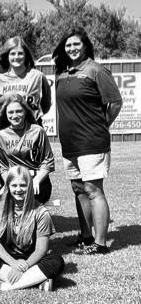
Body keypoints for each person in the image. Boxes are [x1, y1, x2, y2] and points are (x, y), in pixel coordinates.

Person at [53, 28, 122, 254]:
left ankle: (100, 243)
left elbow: (114, 102)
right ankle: (85, 235)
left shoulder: (96, 70)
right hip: (69, 144)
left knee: (93, 189)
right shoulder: (62, 73)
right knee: (78, 189)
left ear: (85, 46)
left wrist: (101, 126)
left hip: (92, 142)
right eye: (68, 45)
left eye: (76, 44)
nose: (72, 49)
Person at [0, 166, 64, 291]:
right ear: (8, 187)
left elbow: (41, 249)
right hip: (6, 259)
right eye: (14, 185)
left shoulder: (41, 212)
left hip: (31, 260)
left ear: (30, 186)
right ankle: (35, 281)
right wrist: (13, 264)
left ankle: (5, 286)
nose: (18, 189)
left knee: (56, 261)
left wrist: (25, 266)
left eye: (23, 185)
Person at [0, 94, 55, 204]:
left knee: (29, 203)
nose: (15, 115)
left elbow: (48, 161)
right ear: (5, 114)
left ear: (25, 111)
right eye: (10, 112)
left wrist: (37, 180)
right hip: (14, 180)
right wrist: (9, 184)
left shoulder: (37, 131)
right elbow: (3, 166)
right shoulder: (0, 136)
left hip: (36, 179)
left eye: (19, 111)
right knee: (4, 203)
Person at [0, 36, 51, 125]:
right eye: (13, 54)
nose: (17, 57)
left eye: (20, 53)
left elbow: (46, 106)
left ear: (26, 55)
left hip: (31, 129)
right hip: (6, 131)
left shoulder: (38, 76)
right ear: (7, 56)